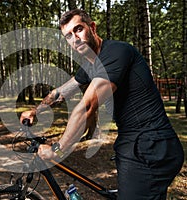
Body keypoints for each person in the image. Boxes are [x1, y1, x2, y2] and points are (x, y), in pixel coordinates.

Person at [20, 9, 184, 199]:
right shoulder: (91, 64)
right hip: (133, 143)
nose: (75, 38)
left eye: (78, 29)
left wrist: (56, 150)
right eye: (68, 36)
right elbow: (61, 93)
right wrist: (35, 110)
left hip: (151, 145)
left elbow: (87, 107)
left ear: (92, 27)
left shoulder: (116, 52)